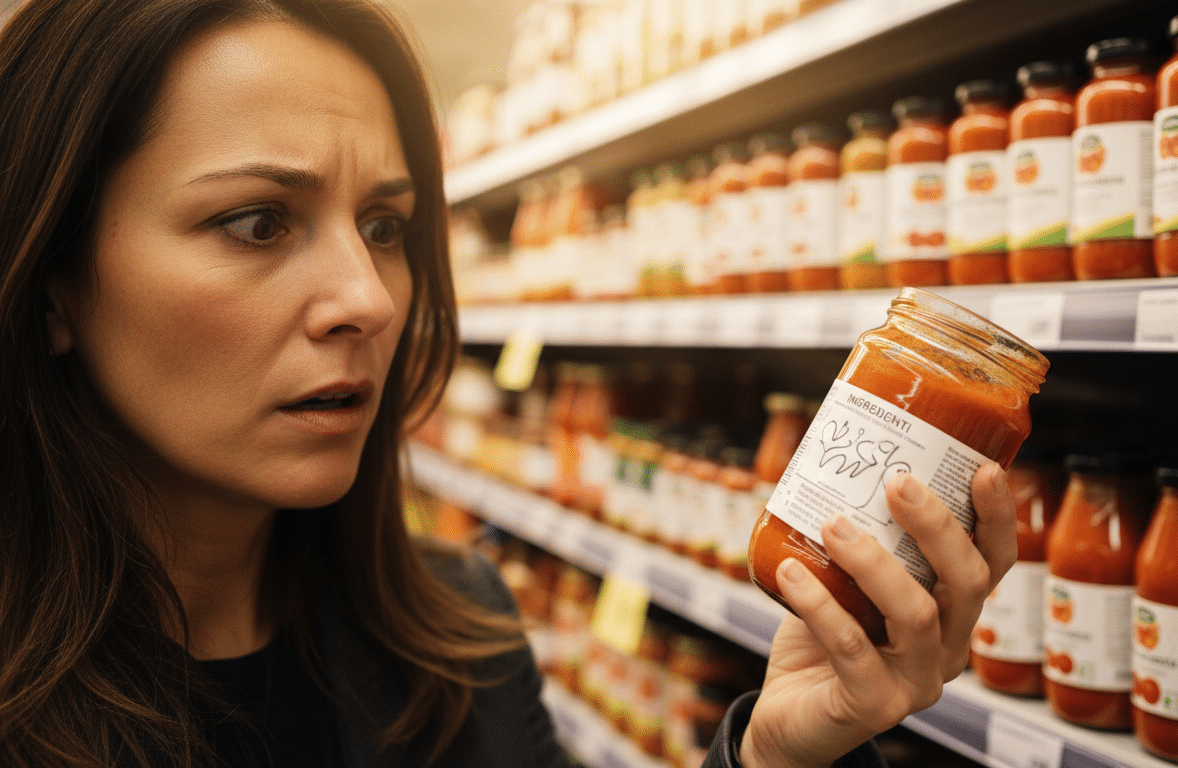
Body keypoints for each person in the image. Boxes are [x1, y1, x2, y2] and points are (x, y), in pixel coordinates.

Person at [0, 0, 1019, 766]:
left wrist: (784, 756)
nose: (370, 299)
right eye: (258, 222)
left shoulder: (462, 633)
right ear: (50, 279)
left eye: (387, 228)